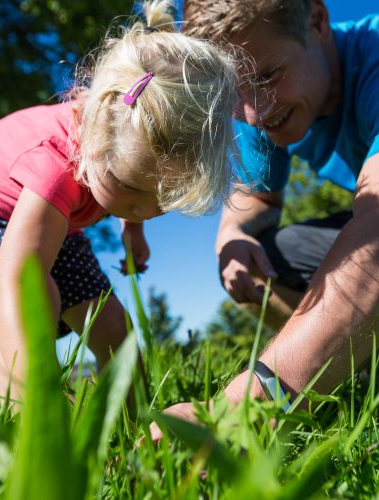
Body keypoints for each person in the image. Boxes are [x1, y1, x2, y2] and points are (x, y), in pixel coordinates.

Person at [0, 0, 239, 402]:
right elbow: (16, 279)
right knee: (37, 300)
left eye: (163, 201)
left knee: (114, 328)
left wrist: (133, 231)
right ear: (94, 148)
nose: (146, 210)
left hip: (59, 221)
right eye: (132, 190)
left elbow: (135, 195)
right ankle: (26, 421)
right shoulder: (54, 164)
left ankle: (131, 426)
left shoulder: (123, 158)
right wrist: (33, 396)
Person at [149, 0, 379, 439]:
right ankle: (358, 371)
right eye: (231, 94)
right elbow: (259, 199)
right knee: (264, 261)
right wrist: (232, 233)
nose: (254, 114)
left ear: (316, 20)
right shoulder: (259, 103)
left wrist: (247, 405)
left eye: (268, 77)